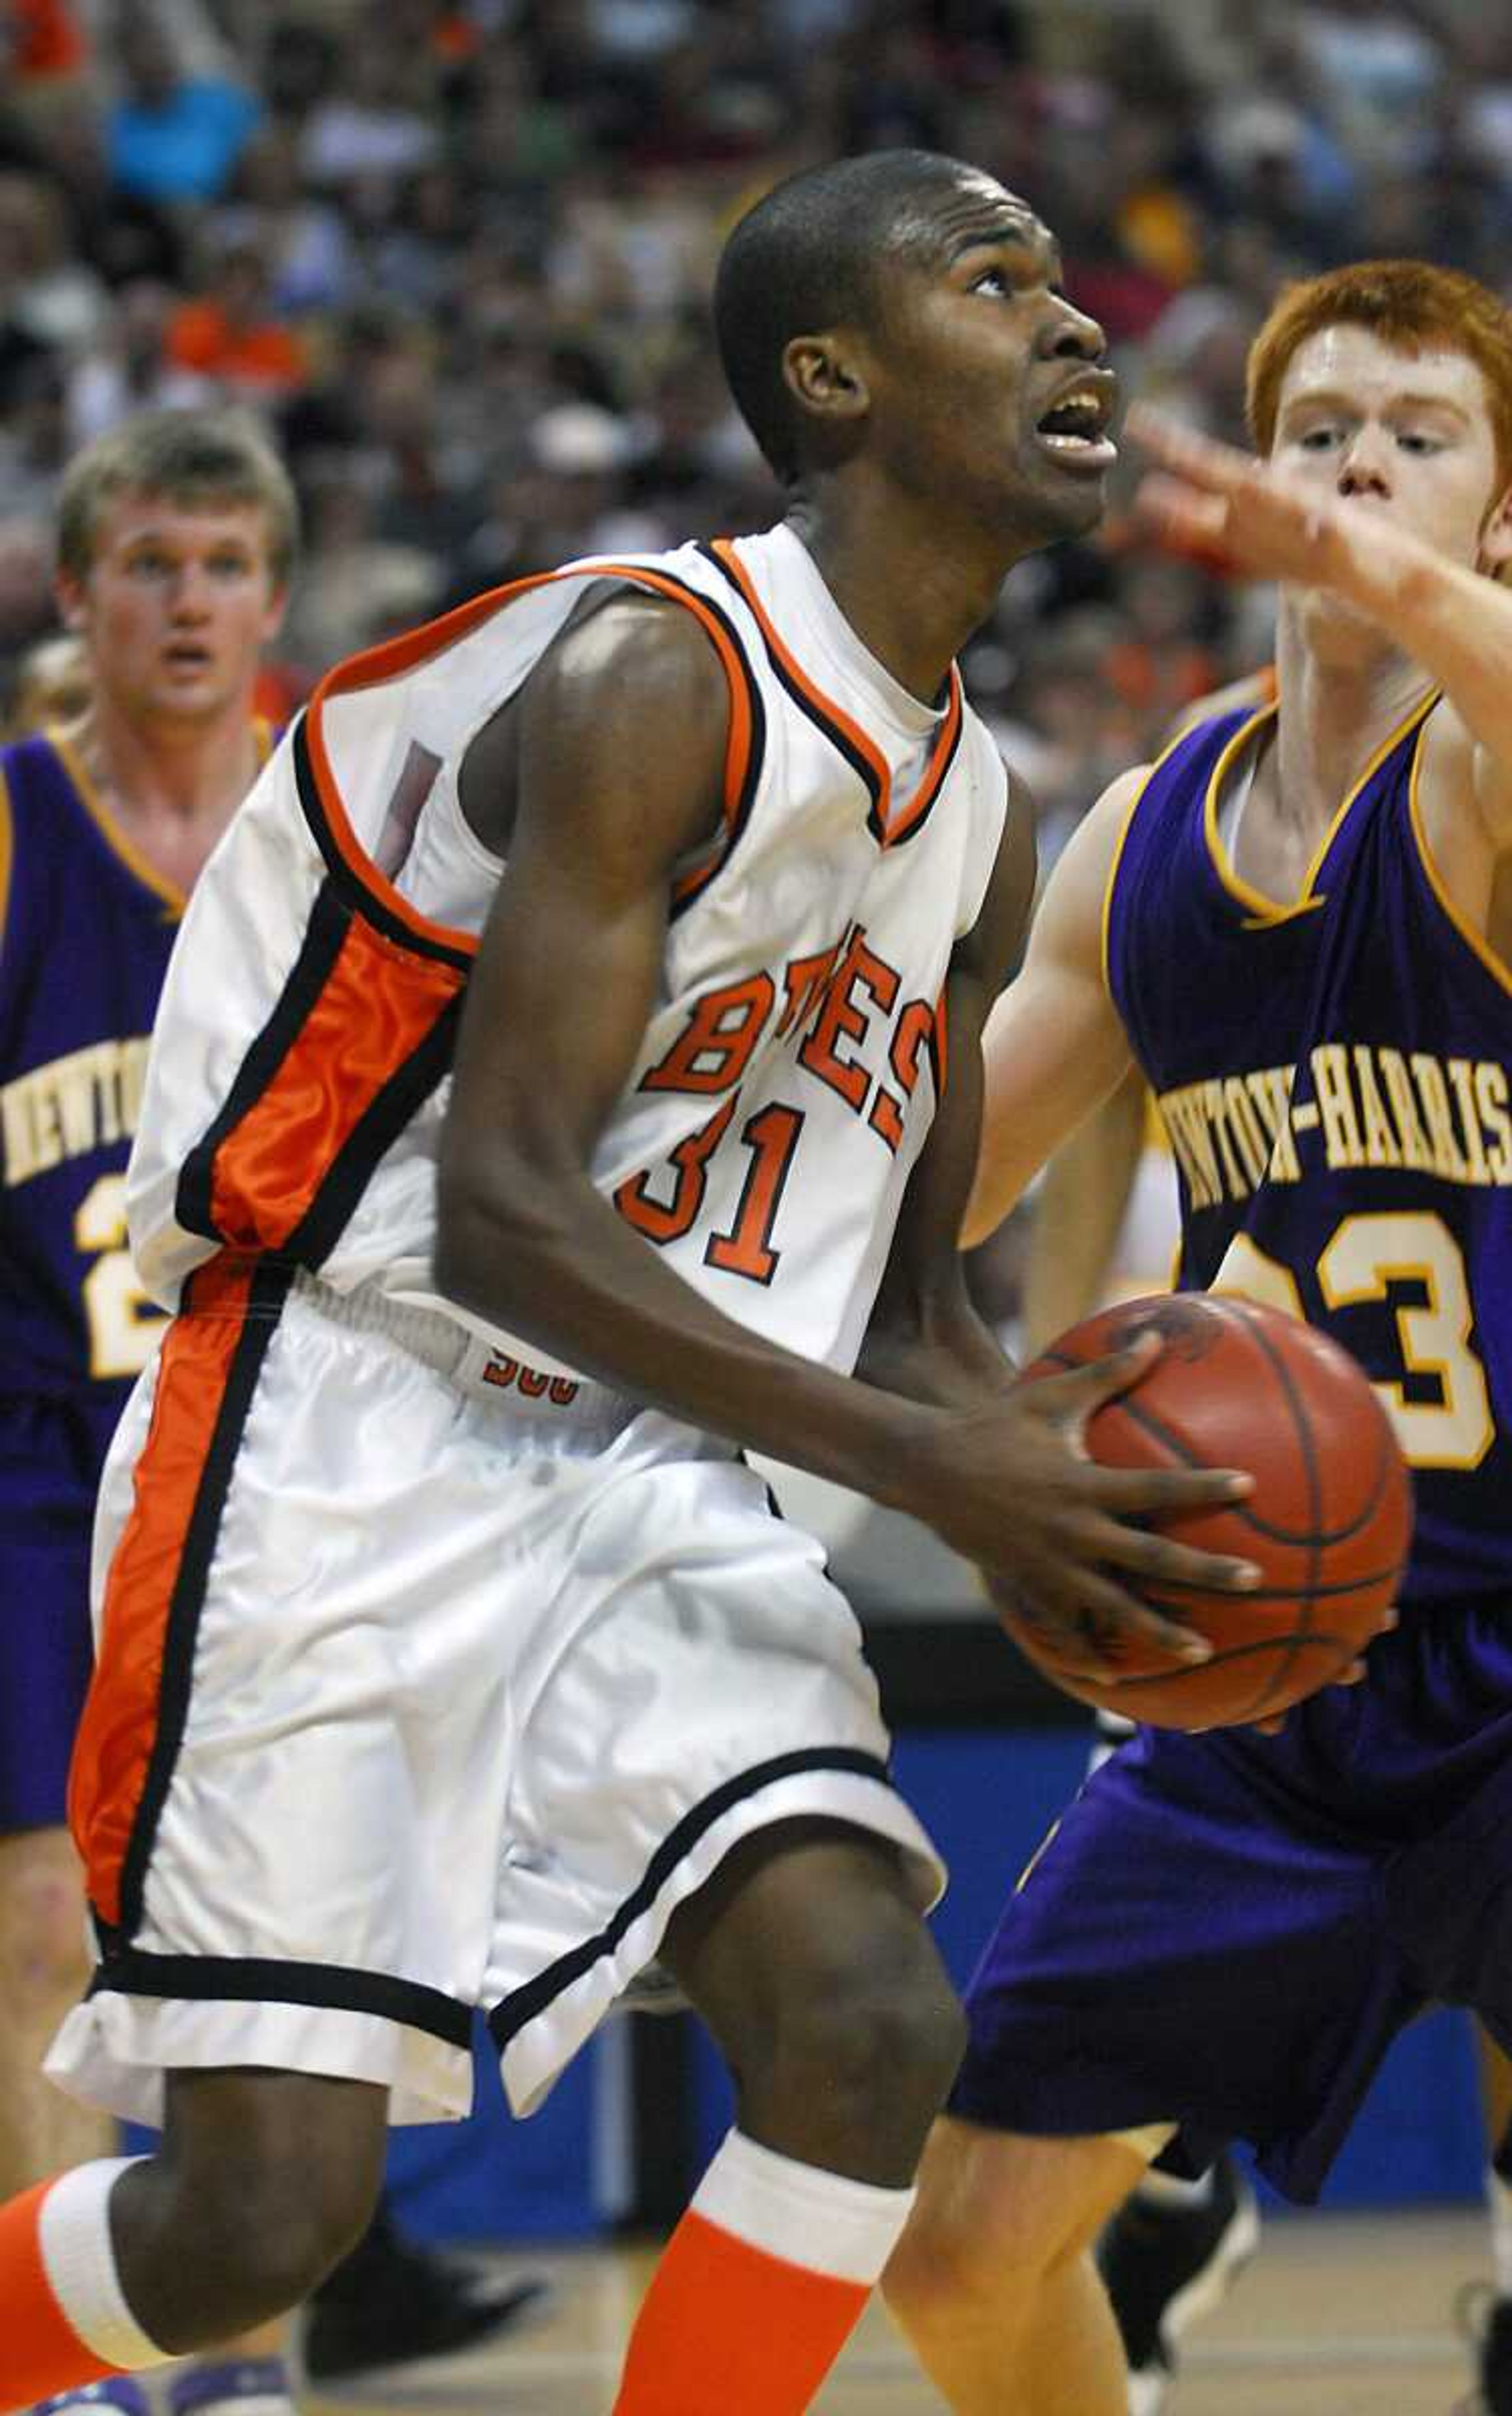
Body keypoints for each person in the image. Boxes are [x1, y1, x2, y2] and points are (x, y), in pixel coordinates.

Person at [0, 151, 1262, 2416]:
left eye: (1073, 282)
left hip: (654, 1458)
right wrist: (939, 1468)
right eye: (1001, 285)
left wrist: (1074, 1490)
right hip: (350, 1421)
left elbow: (904, 1313)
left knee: (872, 2021)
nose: (1081, 326)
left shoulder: (974, 810)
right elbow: (504, 1206)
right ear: (835, 375)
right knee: (247, 2224)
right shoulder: (652, 671)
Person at [883, 254, 1512, 2416]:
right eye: (1323, 420)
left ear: (1497, 519)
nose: (1358, 459)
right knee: (967, 2254)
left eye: (1421, 435)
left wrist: (1360, 569)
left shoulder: (1487, 783)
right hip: (1280, 1642)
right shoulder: (1148, 835)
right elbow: (922, 1199)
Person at [0, 406, 541, 2416]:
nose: (188, 600)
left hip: (280, 1447)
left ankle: (227, 2361)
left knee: (261, 1924)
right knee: (49, 1908)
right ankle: (58, 2375)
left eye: (225, 565)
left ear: (276, 598)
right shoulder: (14, 831)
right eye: (149, 562)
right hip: (43, 1456)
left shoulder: (353, 829)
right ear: (77, 594)